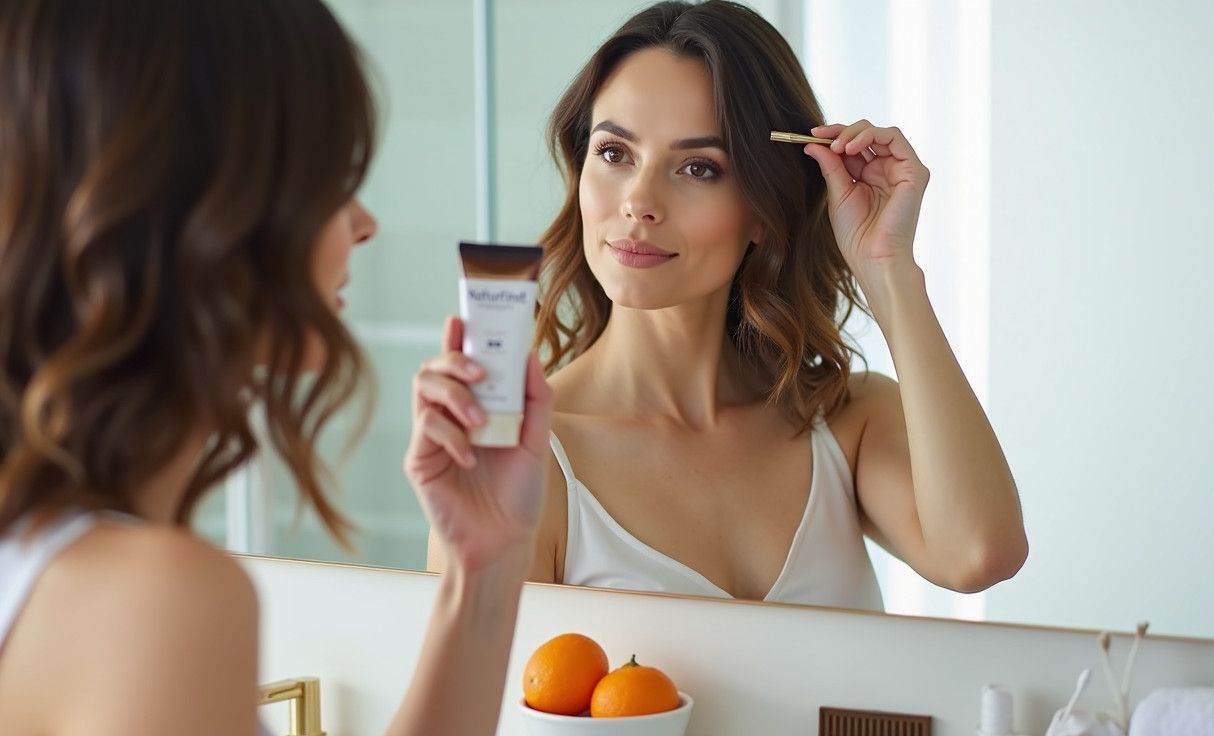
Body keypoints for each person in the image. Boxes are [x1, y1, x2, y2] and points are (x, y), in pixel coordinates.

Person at [0, 1, 548, 734]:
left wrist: (484, 568)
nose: (364, 222)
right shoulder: (158, 603)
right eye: (328, 178)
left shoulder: (52, 559)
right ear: (206, 210)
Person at [418, 0, 1027, 611]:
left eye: (698, 167)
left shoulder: (844, 421)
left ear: (763, 209)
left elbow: (980, 554)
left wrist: (888, 270)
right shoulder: (529, 462)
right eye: (614, 153)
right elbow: (474, 700)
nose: (638, 202)